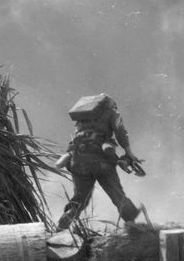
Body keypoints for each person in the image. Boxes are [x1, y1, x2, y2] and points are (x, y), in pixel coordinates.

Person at [56, 93, 142, 230]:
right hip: (101, 160)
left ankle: (63, 224)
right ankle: (132, 226)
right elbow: (120, 131)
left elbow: (76, 140)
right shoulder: (111, 112)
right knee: (116, 194)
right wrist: (129, 152)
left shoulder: (82, 117)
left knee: (80, 198)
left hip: (78, 160)